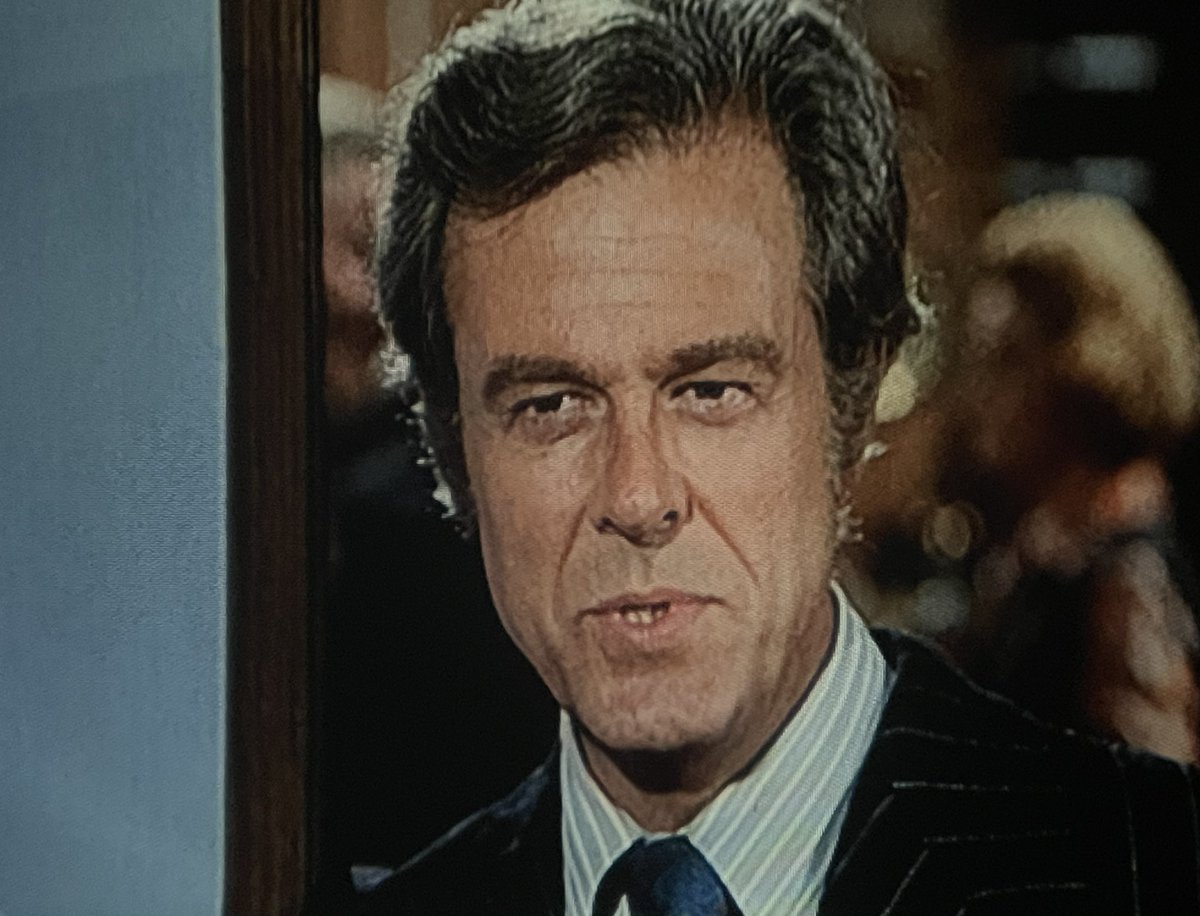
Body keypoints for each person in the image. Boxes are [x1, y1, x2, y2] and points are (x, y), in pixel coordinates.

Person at [357, 1, 1200, 913]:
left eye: (711, 391)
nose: (637, 495)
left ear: (849, 394)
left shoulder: (1156, 868)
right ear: (455, 446)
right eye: (551, 405)